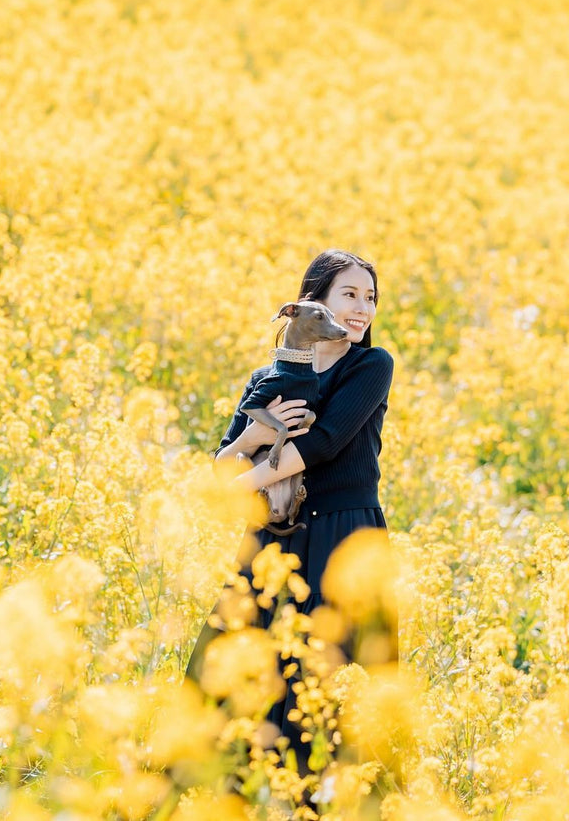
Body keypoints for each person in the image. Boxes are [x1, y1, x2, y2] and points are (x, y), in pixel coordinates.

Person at [186, 248, 395, 772]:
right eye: (348, 294)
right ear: (312, 302)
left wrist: (242, 486)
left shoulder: (371, 366)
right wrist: (257, 433)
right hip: (274, 537)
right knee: (238, 669)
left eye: (369, 298)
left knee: (332, 680)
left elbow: (322, 443)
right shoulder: (270, 375)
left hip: (344, 539)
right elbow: (222, 461)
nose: (361, 309)